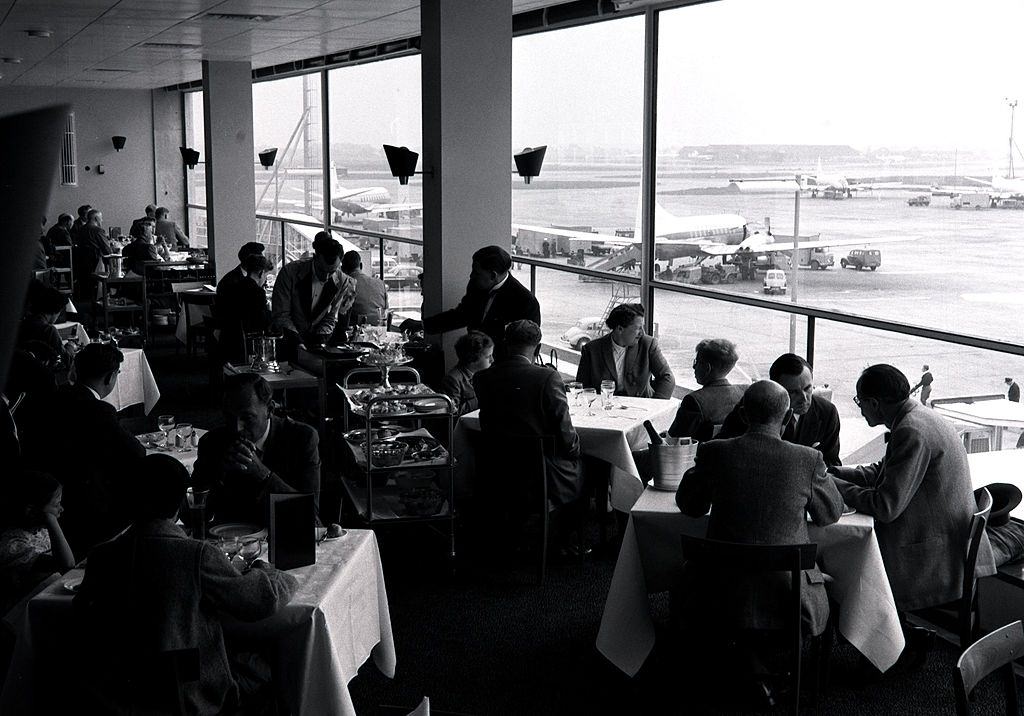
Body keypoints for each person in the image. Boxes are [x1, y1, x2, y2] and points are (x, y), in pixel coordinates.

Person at [74, 454, 298, 715]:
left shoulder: (102, 556)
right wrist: (266, 570)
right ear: (181, 504)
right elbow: (261, 601)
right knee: (275, 659)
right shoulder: (195, 555)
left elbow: (83, 617)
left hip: (117, 696)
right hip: (189, 696)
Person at [675, 380, 843, 699]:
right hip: (788, 593)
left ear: (742, 412)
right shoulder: (807, 459)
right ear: (788, 415)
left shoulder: (714, 452)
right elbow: (830, 514)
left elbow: (690, 506)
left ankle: (741, 662)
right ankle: (768, 669)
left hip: (717, 588)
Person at [829, 364, 994, 612]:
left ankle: (868, 638)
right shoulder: (918, 415)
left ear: (874, 403)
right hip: (949, 547)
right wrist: (835, 472)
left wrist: (832, 485)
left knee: (840, 573)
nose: (860, 409)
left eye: (860, 401)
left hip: (936, 564)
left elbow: (885, 507)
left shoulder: (910, 431)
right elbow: (881, 471)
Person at [19, 343, 145, 556]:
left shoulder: (50, 398)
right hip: (85, 506)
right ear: (110, 377)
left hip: (43, 495)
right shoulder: (99, 410)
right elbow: (136, 453)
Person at [474, 320, 581, 507]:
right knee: (591, 466)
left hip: (496, 467)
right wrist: (575, 451)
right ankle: (571, 526)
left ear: (505, 344)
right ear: (538, 348)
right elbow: (565, 431)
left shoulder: (482, 377)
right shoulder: (548, 377)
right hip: (541, 473)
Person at [192, 373, 322, 526]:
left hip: (283, 538)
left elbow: (310, 515)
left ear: (270, 409)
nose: (236, 428)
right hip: (228, 542)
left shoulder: (302, 438)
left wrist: (263, 475)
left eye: (247, 418)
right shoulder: (212, 442)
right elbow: (193, 515)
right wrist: (219, 476)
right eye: (229, 417)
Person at [718, 353, 841, 466]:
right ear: (776, 388)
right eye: (793, 392)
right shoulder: (753, 406)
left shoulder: (827, 412)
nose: (804, 398)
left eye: (807, 388)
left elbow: (832, 461)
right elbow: (722, 449)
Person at [422, 245, 540, 360]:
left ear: (493, 275)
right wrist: (424, 325)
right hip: (473, 362)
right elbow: (462, 315)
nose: (471, 275)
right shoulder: (476, 284)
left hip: (500, 368)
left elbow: (527, 347)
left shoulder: (525, 301)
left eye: (476, 272)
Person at [0, 471, 76, 613]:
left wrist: (48, 515)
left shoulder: (39, 530)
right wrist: (51, 519)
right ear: (31, 511)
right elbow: (67, 563)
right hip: (24, 611)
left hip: (46, 596)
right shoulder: (13, 544)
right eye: (57, 504)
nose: (62, 509)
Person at [271, 231, 356, 356]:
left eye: (332, 272)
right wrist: (297, 341)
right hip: (288, 341)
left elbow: (331, 316)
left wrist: (319, 341)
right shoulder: (290, 273)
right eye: (322, 270)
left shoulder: (342, 280)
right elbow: (281, 314)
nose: (326, 277)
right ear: (315, 258)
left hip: (317, 345)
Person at [575, 303, 675, 399]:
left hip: (642, 408)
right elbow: (582, 387)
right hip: (605, 408)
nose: (642, 333)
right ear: (620, 329)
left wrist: (655, 405)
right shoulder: (591, 350)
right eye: (638, 328)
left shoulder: (648, 345)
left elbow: (667, 378)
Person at [668, 338, 746, 441]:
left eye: (697, 362)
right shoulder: (744, 394)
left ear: (707, 368)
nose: (694, 366)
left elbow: (674, 441)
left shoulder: (694, 401)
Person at [216, 253, 273, 364]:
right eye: (266, 276)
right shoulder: (257, 292)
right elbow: (260, 321)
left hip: (228, 336)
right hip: (245, 340)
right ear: (261, 273)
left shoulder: (234, 286)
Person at [18, 283, 69, 371]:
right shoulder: (48, 330)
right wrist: (71, 347)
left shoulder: (22, 323)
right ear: (55, 311)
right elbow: (65, 360)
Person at [442, 330, 494, 415]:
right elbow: (453, 411)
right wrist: (482, 397)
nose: (492, 360)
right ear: (472, 359)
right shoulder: (453, 379)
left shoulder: (484, 373)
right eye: (488, 356)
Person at [72, 208, 112, 303]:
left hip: (81, 261)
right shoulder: (98, 230)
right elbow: (107, 249)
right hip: (95, 261)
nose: (102, 220)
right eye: (101, 218)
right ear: (96, 218)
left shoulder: (81, 229)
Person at [342, 249, 389, 325]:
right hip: (380, 330)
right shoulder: (380, 283)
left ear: (343, 269)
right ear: (361, 265)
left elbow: (342, 313)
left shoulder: (346, 285)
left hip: (356, 332)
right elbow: (386, 310)